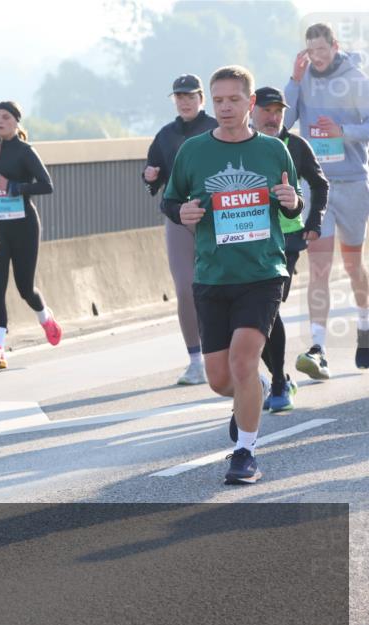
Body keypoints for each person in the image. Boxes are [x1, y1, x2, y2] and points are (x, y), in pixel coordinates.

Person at [163, 65, 303, 485]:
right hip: (212, 275)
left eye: (234, 100)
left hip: (262, 273)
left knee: (243, 359)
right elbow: (171, 201)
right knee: (220, 379)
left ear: (250, 103)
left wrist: (292, 200)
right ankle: (253, 389)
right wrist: (182, 211)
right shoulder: (193, 151)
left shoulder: (273, 151)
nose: (225, 107)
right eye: (218, 100)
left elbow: (293, 203)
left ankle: (245, 453)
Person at [284, 22, 369, 376]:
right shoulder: (302, 79)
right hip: (316, 186)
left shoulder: (355, 79)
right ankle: (317, 347)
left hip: (352, 183)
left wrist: (342, 131)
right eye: (311, 51)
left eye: (322, 49)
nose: (316, 57)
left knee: (352, 266)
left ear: (335, 45)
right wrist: (293, 80)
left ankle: (364, 327)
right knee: (319, 267)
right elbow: (284, 120)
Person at [252, 86, 328, 412]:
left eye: (278, 112)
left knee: (267, 310)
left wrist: (314, 221)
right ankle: (279, 378)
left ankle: (279, 384)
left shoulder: (295, 145)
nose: (273, 118)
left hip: (286, 240)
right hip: (247, 238)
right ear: (252, 111)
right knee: (253, 315)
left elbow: (320, 184)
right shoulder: (241, 146)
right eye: (266, 111)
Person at [143, 74, 219, 385]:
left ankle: (223, 352)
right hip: (178, 217)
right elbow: (153, 174)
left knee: (221, 286)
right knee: (186, 289)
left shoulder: (216, 127)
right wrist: (149, 176)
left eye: (190, 96)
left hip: (217, 217)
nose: (185, 102)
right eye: (179, 97)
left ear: (202, 98)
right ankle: (196, 361)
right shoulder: (165, 135)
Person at [0, 101, 60, 370]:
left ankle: (45, 318)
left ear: (16, 122)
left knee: (25, 288)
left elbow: (47, 185)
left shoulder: (25, 151)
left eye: (5, 117)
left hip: (24, 227)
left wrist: (14, 186)